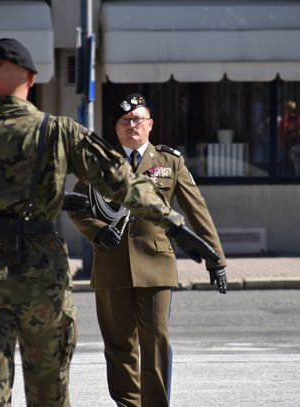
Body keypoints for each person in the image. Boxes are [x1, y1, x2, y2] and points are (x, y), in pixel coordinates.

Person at [0, 38, 218, 407]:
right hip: (40, 271)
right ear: (33, 80)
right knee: (48, 390)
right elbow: (122, 182)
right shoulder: (58, 131)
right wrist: (176, 226)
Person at [69, 93, 227, 407]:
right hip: (112, 264)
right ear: (116, 128)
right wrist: (98, 232)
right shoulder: (100, 163)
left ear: (150, 124)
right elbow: (77, 208)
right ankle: (129, 404)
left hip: (156, 264)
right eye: (125, 121)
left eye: (137, 119)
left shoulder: (170, 162)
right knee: (119, 347)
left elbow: (198, 211)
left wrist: (216, 259)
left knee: (156, 342)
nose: (131, 125)